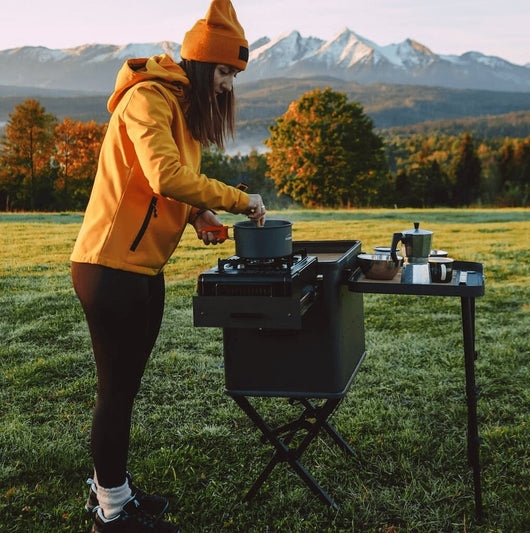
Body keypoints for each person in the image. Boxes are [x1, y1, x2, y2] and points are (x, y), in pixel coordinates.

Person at [70, 1, 265, 531]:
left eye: (233, 74)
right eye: (224, 71)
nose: (228, 85)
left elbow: (165, 188)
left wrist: (198, 212)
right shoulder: (148, 98)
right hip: (109, 268)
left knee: (125, 389)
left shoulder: (180, 107)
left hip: (142, 268)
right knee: (115, 390)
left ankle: (114, 489)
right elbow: (163, 175)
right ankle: (111, 511)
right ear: (202, 65)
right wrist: (238, 199)